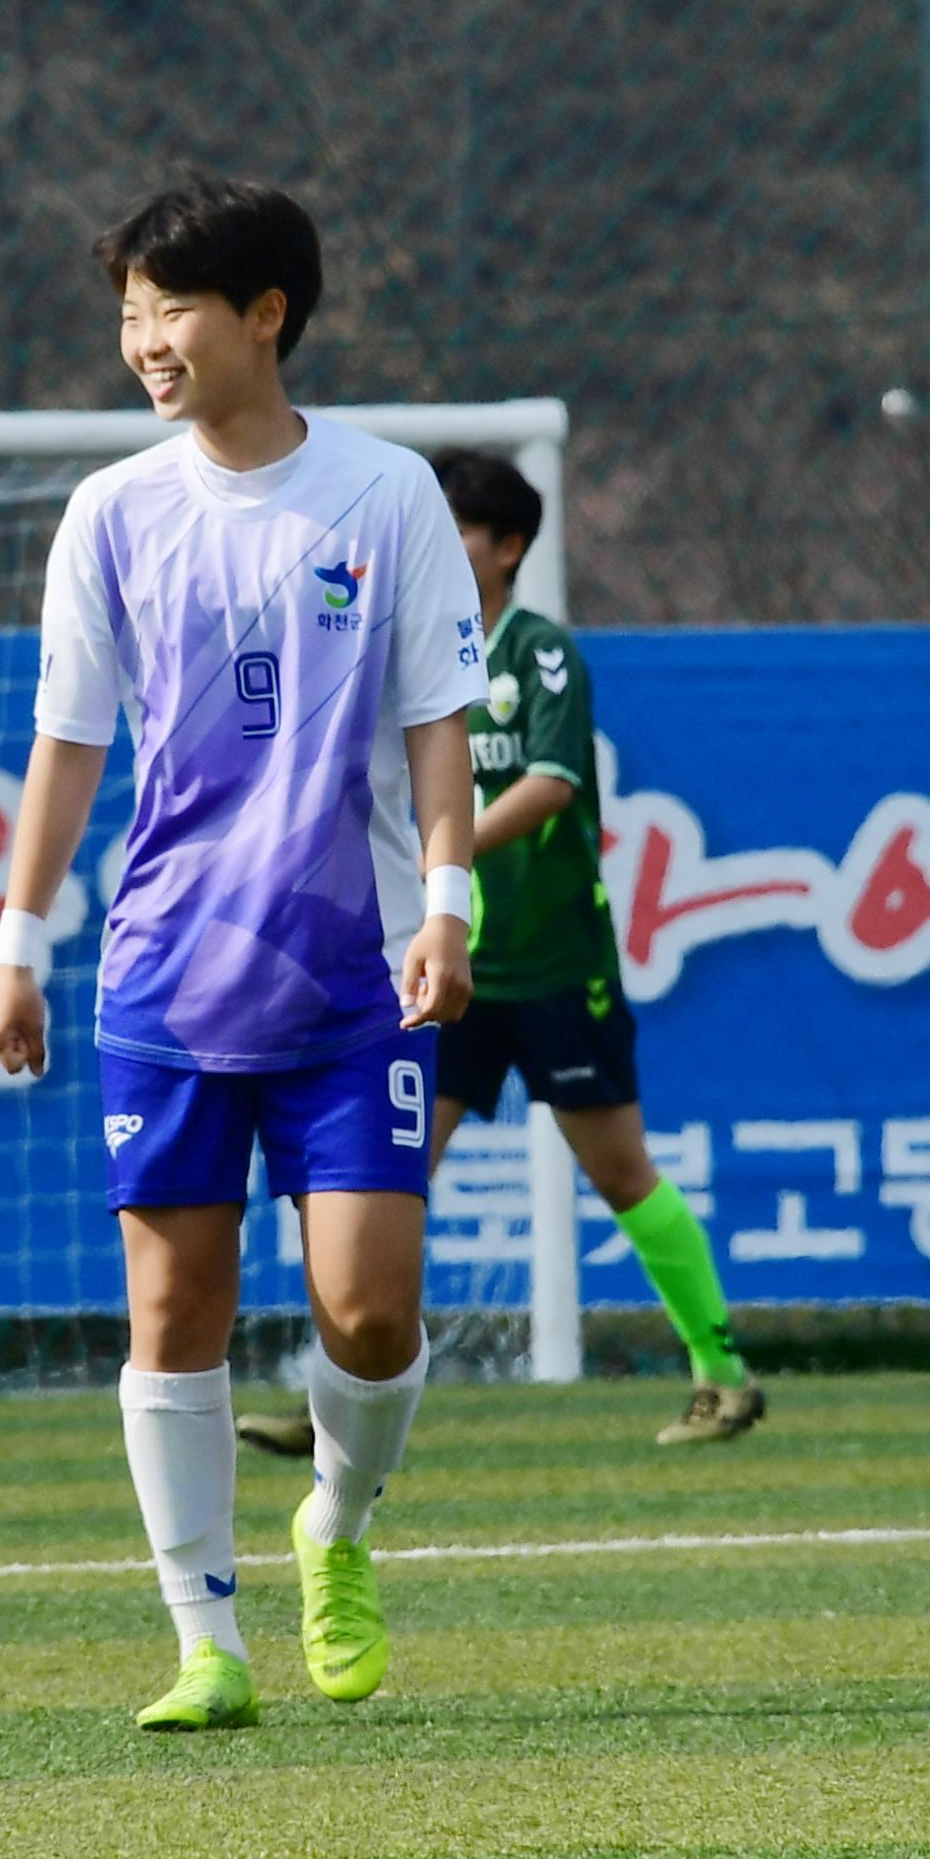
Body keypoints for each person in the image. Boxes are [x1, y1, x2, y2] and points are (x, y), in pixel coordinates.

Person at [0, 174, 484, 1732]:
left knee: (370, 1309)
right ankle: (206, 1642)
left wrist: (452, 909)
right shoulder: (113, 513)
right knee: (174, 1312)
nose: (145, 340)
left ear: (267, 315)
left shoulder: (387, 494)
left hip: (356, 978)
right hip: (167, 978)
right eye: (128, 313)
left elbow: (437, 733)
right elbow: (68, 746)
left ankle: (334, 1518)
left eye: (173, 307)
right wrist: (18, 948)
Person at [244, 453, 761, 1454]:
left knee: (620, 1173)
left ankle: (724, 1372)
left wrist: (442, 850)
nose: (431, 538)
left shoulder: (539, 653)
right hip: (448, 971)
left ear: (507, 545)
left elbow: (554, 782)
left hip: (558, 964)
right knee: (379, 1179)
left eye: (456, 524)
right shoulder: (405, 654)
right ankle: (337, 1405)